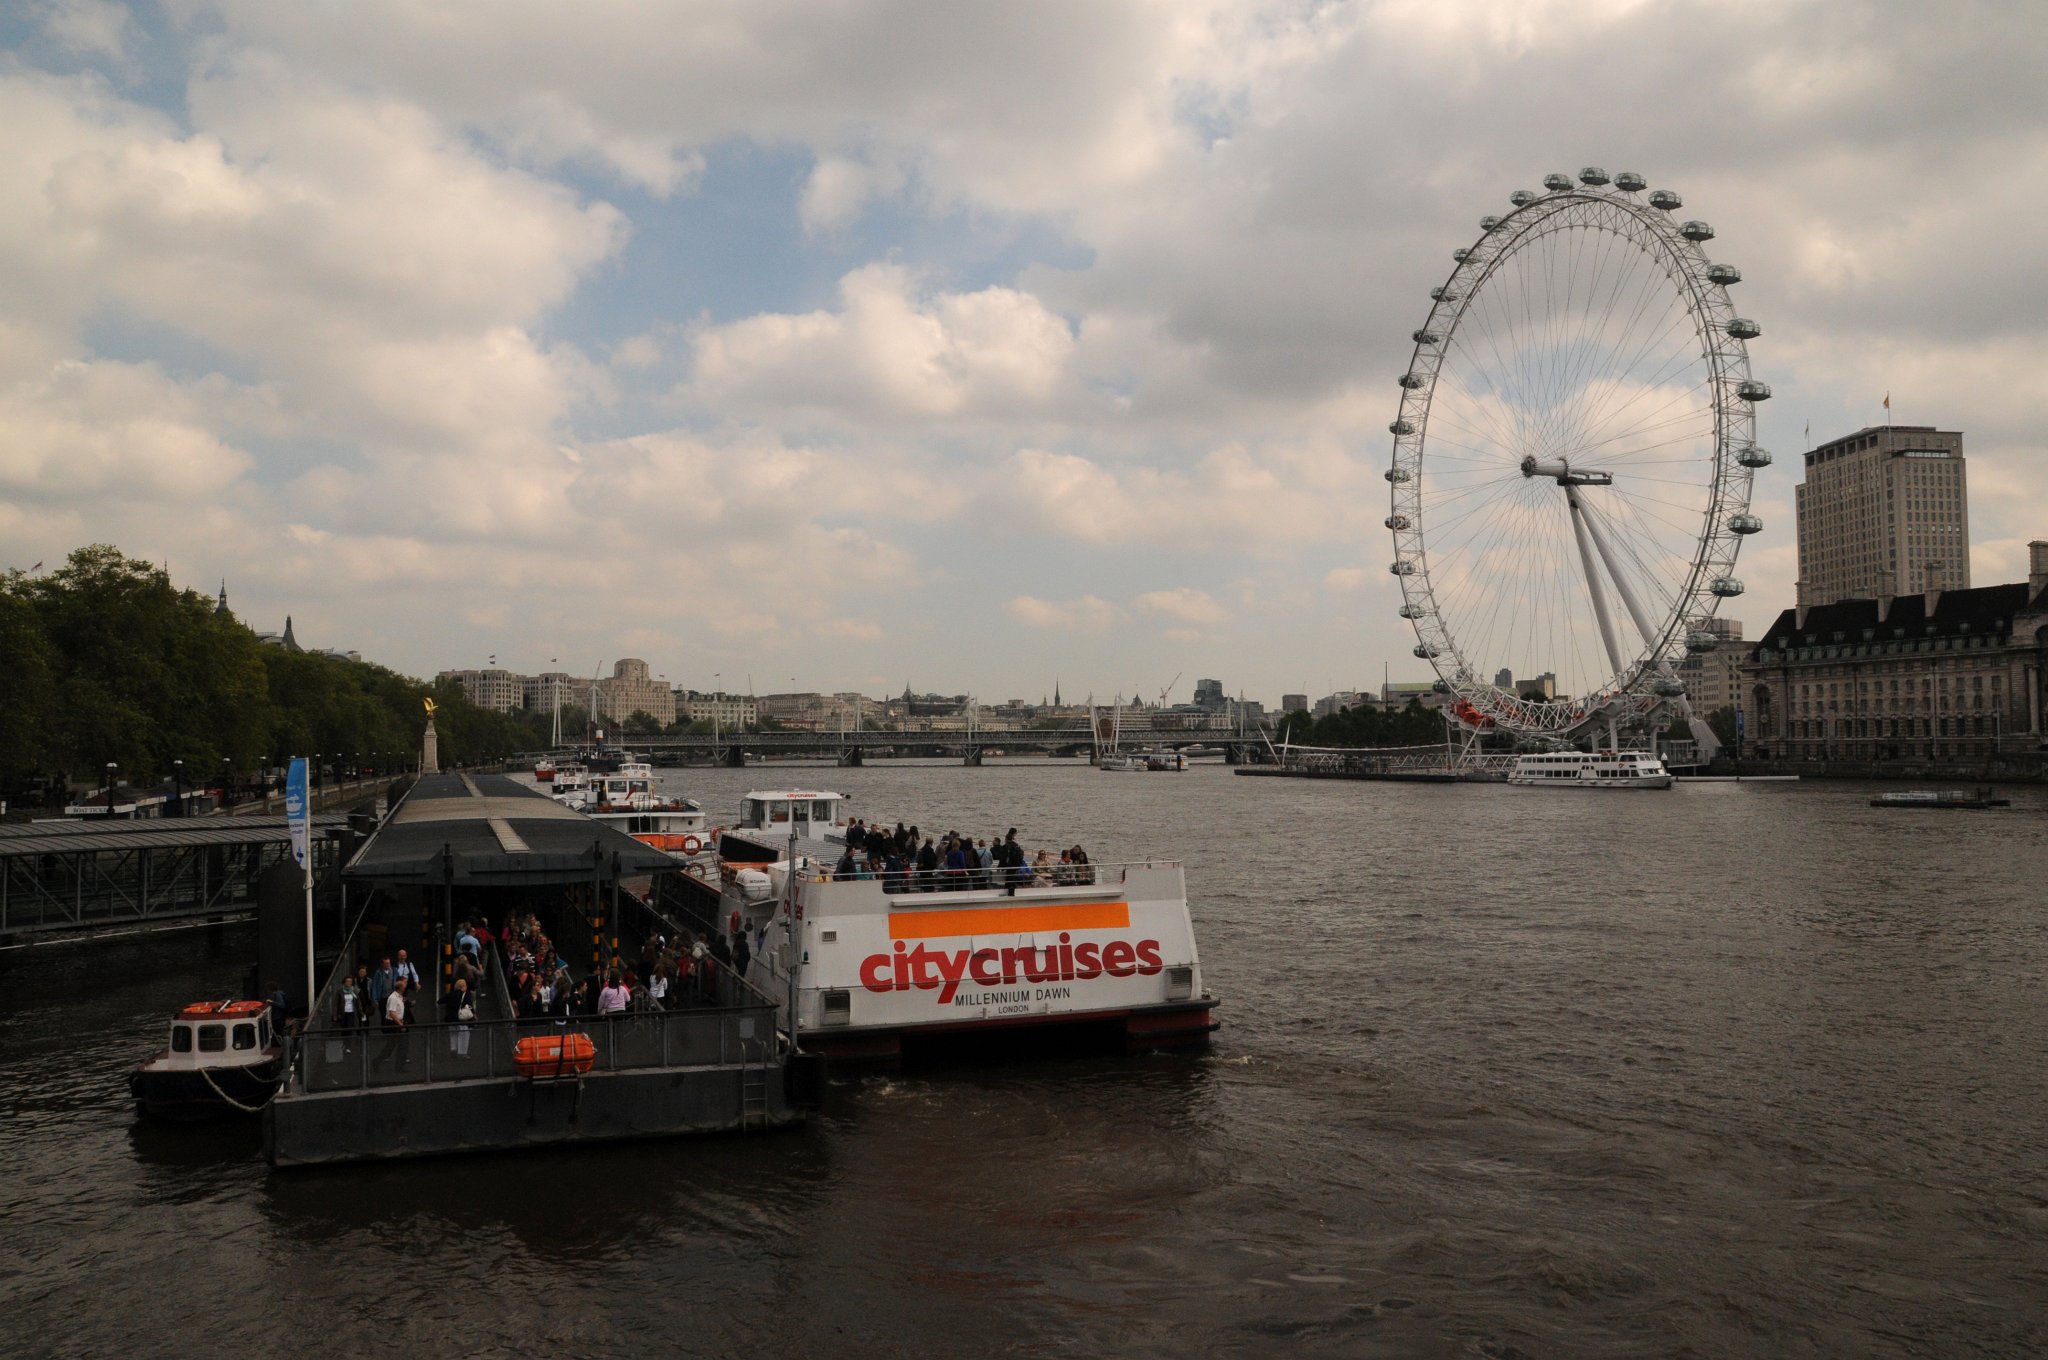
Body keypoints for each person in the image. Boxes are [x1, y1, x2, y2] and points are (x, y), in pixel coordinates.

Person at [379, 976, 409, 1068]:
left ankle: (399, 1066)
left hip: (397, 1021)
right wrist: (400, 1024)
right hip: (393, 1023)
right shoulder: (393, 998)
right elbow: (392, 1012)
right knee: (393, 1045)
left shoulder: (399, 997)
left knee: (400, 1045)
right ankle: (377, 1061)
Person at [442, 977, 474, 1057]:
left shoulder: (450, 994)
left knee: (453, 1034)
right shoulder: (465, 995)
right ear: (462, 987)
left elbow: (440, 1001)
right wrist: (474, 1015)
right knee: (464, 1034)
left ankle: (453, 1048)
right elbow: (470, 1006)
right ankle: (462, 1053)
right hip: (461, 1019)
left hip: (450, 1018)